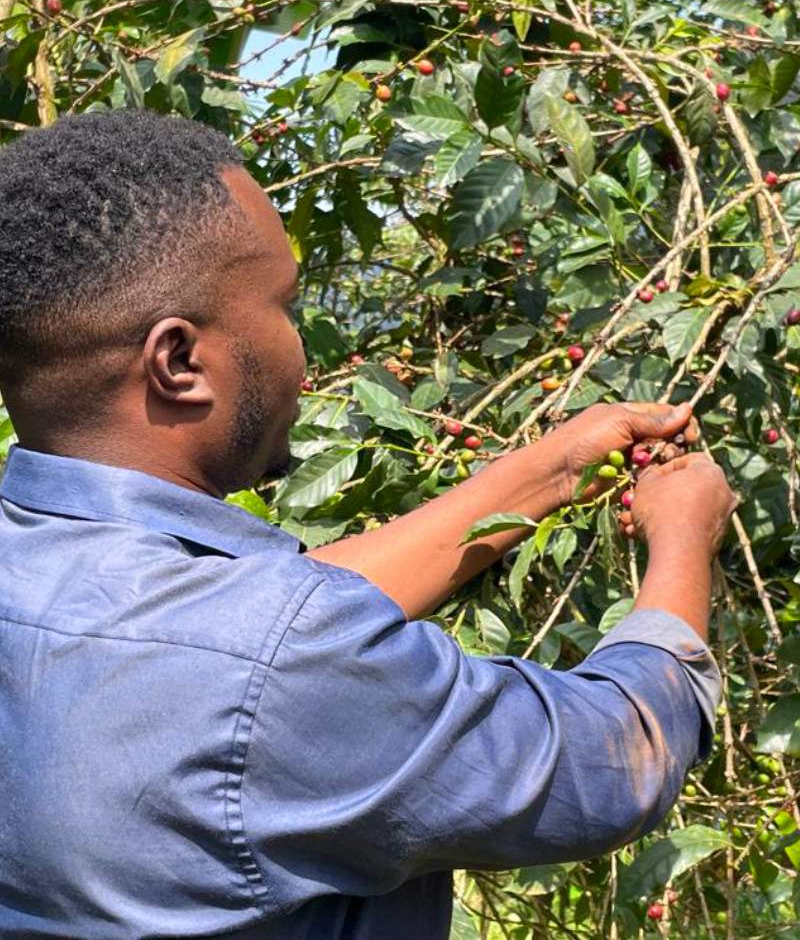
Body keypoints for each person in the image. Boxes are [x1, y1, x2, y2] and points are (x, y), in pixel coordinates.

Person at [0, 111, 736, 940]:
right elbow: (614, 762)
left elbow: (245, 632)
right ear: (179, 362)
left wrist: (552, 473)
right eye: (285, 307)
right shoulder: (282, 667)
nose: (302, 348)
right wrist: (684, 537)